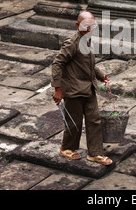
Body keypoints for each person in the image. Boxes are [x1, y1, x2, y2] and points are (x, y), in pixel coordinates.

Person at [51, 11, 113, 166]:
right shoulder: (72, 42)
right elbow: (57, 63)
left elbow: (87, 63)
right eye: (86, 25)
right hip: (73, 89)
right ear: (78, 25)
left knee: (94, 120)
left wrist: (100, 75)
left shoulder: (87, 39)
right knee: (74, 122)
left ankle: (95, 153)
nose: (90, 28)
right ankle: (67, 148)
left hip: (89, 87)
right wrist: (58, 88)